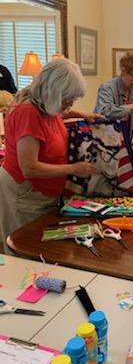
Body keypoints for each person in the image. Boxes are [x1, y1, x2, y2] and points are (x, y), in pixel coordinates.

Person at [0, 58, 101, 254]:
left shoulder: (45, 105)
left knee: (41, 249)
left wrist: (82, 114)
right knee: (25, 249)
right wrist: (73, 169)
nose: (70, 103)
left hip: (41, 194)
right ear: (54, 91)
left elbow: (55, 116)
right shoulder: (27, 112)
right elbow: (30, 167)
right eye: (67, 98)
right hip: (24, 193)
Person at [93, 50, 133, 135]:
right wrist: (132, 107)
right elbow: (105, 112)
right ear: (124, 71)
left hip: (124, 141)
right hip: (103, 140)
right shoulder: (107, 88)